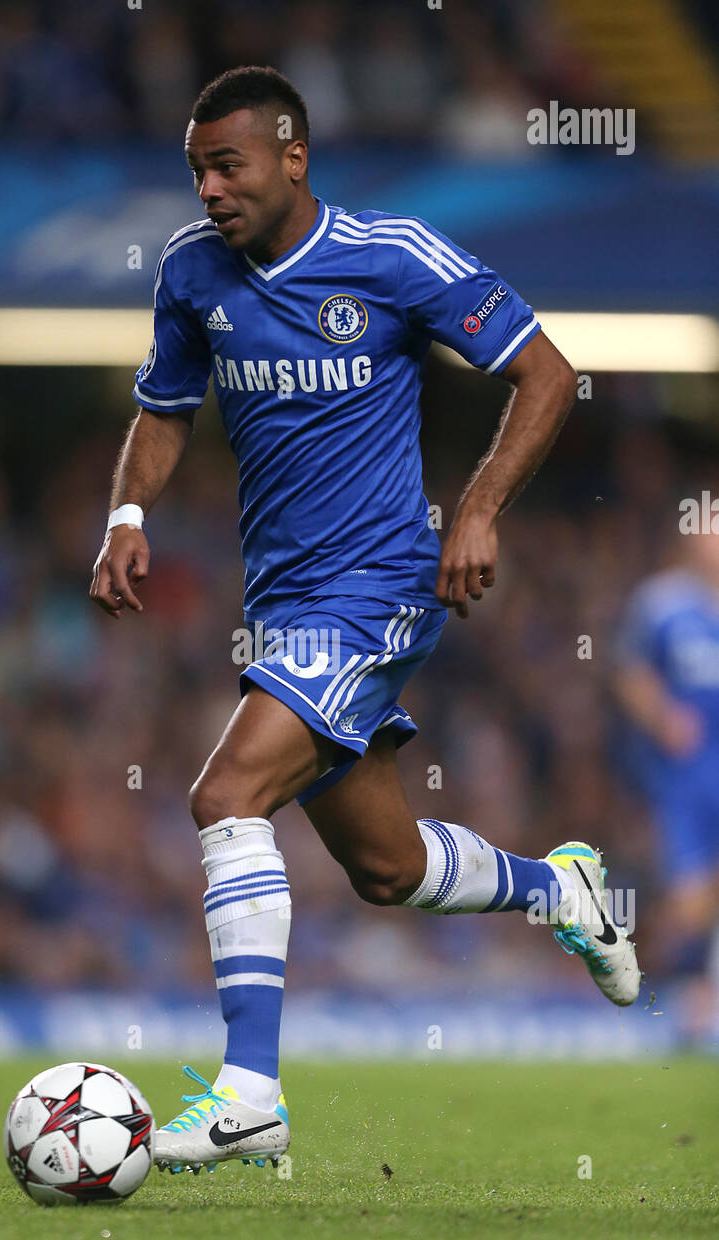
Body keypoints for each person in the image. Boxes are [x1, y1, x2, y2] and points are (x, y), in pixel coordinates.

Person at [90, 66, 640, 1175]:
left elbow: (545, 372)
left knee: (224, 796)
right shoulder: (191, 272)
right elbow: (164, 407)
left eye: (227, 166)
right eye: (197, 171)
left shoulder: (391, 257)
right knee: (386, 869)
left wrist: (477, 508)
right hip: (282, 604)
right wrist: (127, 514)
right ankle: (561, 887)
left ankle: (250, 1095)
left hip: (382, 584)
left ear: (292, 157)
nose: (208, 189)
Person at [614, 526, 719, 1037]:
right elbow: (629, 672)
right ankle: (666, 994)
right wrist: (662, 718)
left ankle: (699, 997)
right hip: (688, 776)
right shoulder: (661, 603)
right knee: (690, 897)